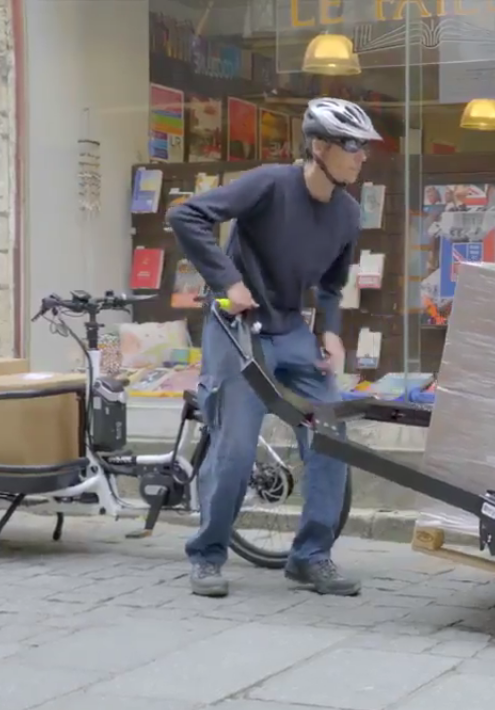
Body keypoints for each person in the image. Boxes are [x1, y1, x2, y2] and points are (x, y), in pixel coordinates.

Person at [167, 97, 382, 598]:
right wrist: (227, 282)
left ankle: (310, 557)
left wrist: (330, 330)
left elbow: (331, 285)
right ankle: (207, 554)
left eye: (364, 147)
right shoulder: (270, 184)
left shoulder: (347, 214)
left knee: (331, 432)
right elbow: (188, 218)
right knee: (236, 446)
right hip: (237, 327)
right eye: (352, 145)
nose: (361, 156)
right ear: (319, 146)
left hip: (289, 331)